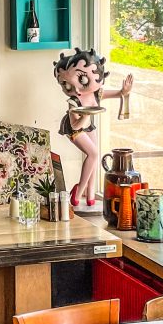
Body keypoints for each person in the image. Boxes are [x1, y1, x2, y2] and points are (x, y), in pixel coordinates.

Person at [53, 48, 133, 209]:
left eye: (82, 80)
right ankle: (78, 192)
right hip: (75, 129)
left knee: (94, 156)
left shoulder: (96, 94)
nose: (75, 90)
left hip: (88, 126)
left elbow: (117, 94)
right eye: (66, 85)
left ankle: (90, 194)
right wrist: (85, 115)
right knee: (93, 154)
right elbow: (75, 125)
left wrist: (123, 91)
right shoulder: (73, 101)